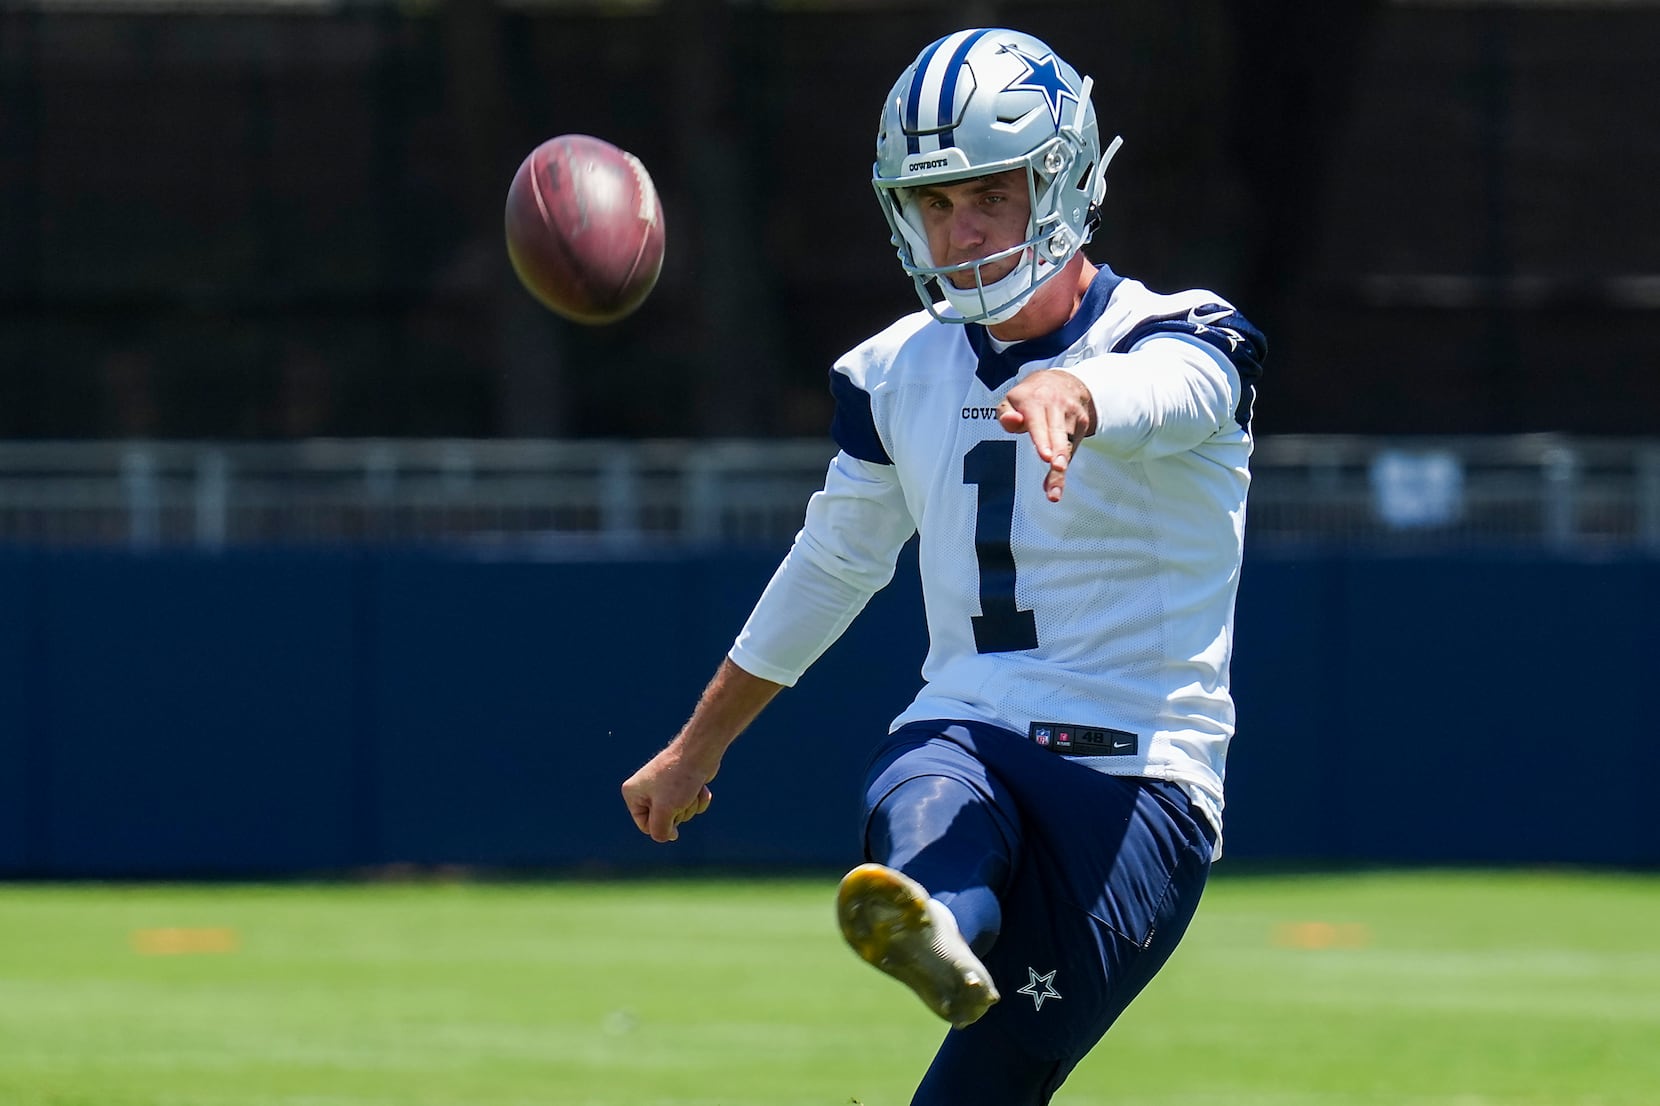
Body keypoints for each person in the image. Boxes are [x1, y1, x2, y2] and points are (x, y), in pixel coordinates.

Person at [622, 26, 1264, 1105]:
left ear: (1060, 182)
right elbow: (830, 566)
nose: (958, 233)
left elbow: (1181, 391)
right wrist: (697, 748)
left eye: (988, 196)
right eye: (933, 203)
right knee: (922, 766)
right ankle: (940, 921)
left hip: (1137, 782)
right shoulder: (894, 370)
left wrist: (1079, 393)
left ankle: (951, 925)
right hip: (973, 732)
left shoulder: (1180, 331)